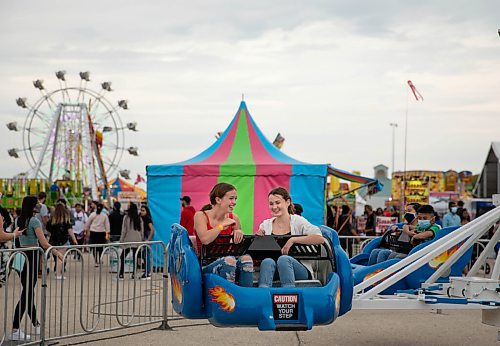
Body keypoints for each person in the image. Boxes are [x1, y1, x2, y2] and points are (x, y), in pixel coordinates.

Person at [9, 196, 62, 341]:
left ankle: (35, 323)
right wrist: (57, 253)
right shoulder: (34, 221)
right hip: (31, 258)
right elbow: (44, 243)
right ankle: (15, 328)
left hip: (21, 258)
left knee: (28, 292)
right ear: (33, 206)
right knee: (26, 294)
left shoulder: (18, 220)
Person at [257, 187, 324, 288]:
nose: (274, 206)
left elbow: (319, 238)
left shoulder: (298, 221)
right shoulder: (265, 225)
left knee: (284, 259)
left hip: (299, 270)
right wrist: (258, 238)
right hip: (275, 270)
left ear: (287, 202)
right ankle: (263, 295)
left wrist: (293, 240)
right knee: (267, 261)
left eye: (277, 202)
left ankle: (288, 294)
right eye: (271, 204)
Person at [194, 183, 253, 287]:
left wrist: (239, 232)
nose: (234, 202)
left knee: (246, 259)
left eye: (235, 198)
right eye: (231, 198)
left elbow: (239, 245)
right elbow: (205, 239)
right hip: (206, 263)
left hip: (229, 259)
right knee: (229, 261)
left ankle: (246, 297)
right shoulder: (201, 216)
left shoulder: (234, 218)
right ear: (218, 200)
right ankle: (228, 299)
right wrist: (221, 226)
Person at [368, 204, 441, 265]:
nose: (422, 220)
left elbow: (426, 234)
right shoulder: (420, 227)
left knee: (397, 256)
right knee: (391, 255)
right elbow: (406, 226)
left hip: (425, 255)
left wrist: (415, 236)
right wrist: (408, 232)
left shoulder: (435, 227)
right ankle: (376, 271)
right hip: (414, 252)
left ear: (433, 219)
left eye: (425, 218)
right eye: (419, 218)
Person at [46, 203, 77, 279]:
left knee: (57, 257)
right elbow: (70, 230)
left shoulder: (52, 218)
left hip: (53, 239)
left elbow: (48, 228)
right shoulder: (66, 218)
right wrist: (74, 239)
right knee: (61, 257)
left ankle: (57, 272)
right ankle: (58, 274)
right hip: (63, 240)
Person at [118, 203, 144, 280]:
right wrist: (141, 239)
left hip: (128, 240)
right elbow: (142, 230)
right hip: (137, 240)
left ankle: (121, 273)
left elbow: (124, 230)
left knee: (122, 256)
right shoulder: (139, 218)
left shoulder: (126, 218)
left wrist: (121, 240)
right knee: (135, 257)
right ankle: (134, 274)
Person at [140, 205, 154, 279]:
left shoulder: (148, 219)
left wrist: (148, 239)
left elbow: (152, 230)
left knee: (146, 255)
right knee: (144, 254)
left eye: (143, 210)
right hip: (144, 237)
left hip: (147, 236)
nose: (141, 212)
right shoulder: (141, 218)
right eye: (141, 210)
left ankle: (147, 272)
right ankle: (146, 270)